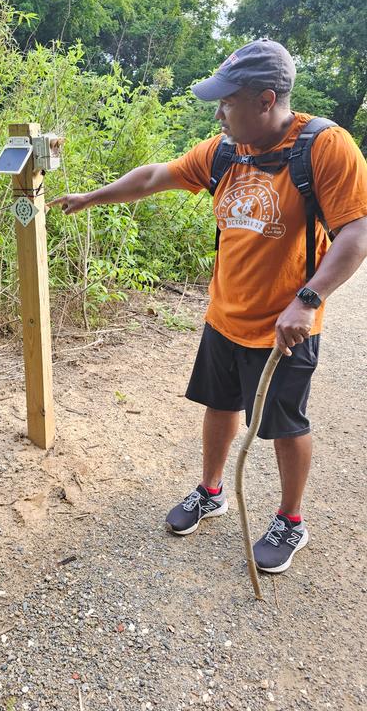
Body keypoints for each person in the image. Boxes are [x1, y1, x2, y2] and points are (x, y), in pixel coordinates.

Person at [49, 39, 367, 574]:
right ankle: (211, 491)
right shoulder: (225, 151)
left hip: (285, 327)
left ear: (266, 100)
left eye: (228, 101)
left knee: (285, 424)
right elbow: (155, 176)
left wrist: (308, 301)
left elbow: (356, 232)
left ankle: (291, 521)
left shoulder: (324, 147)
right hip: (224, 316)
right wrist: (90, 197)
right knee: (219, 406)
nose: (219, 113)